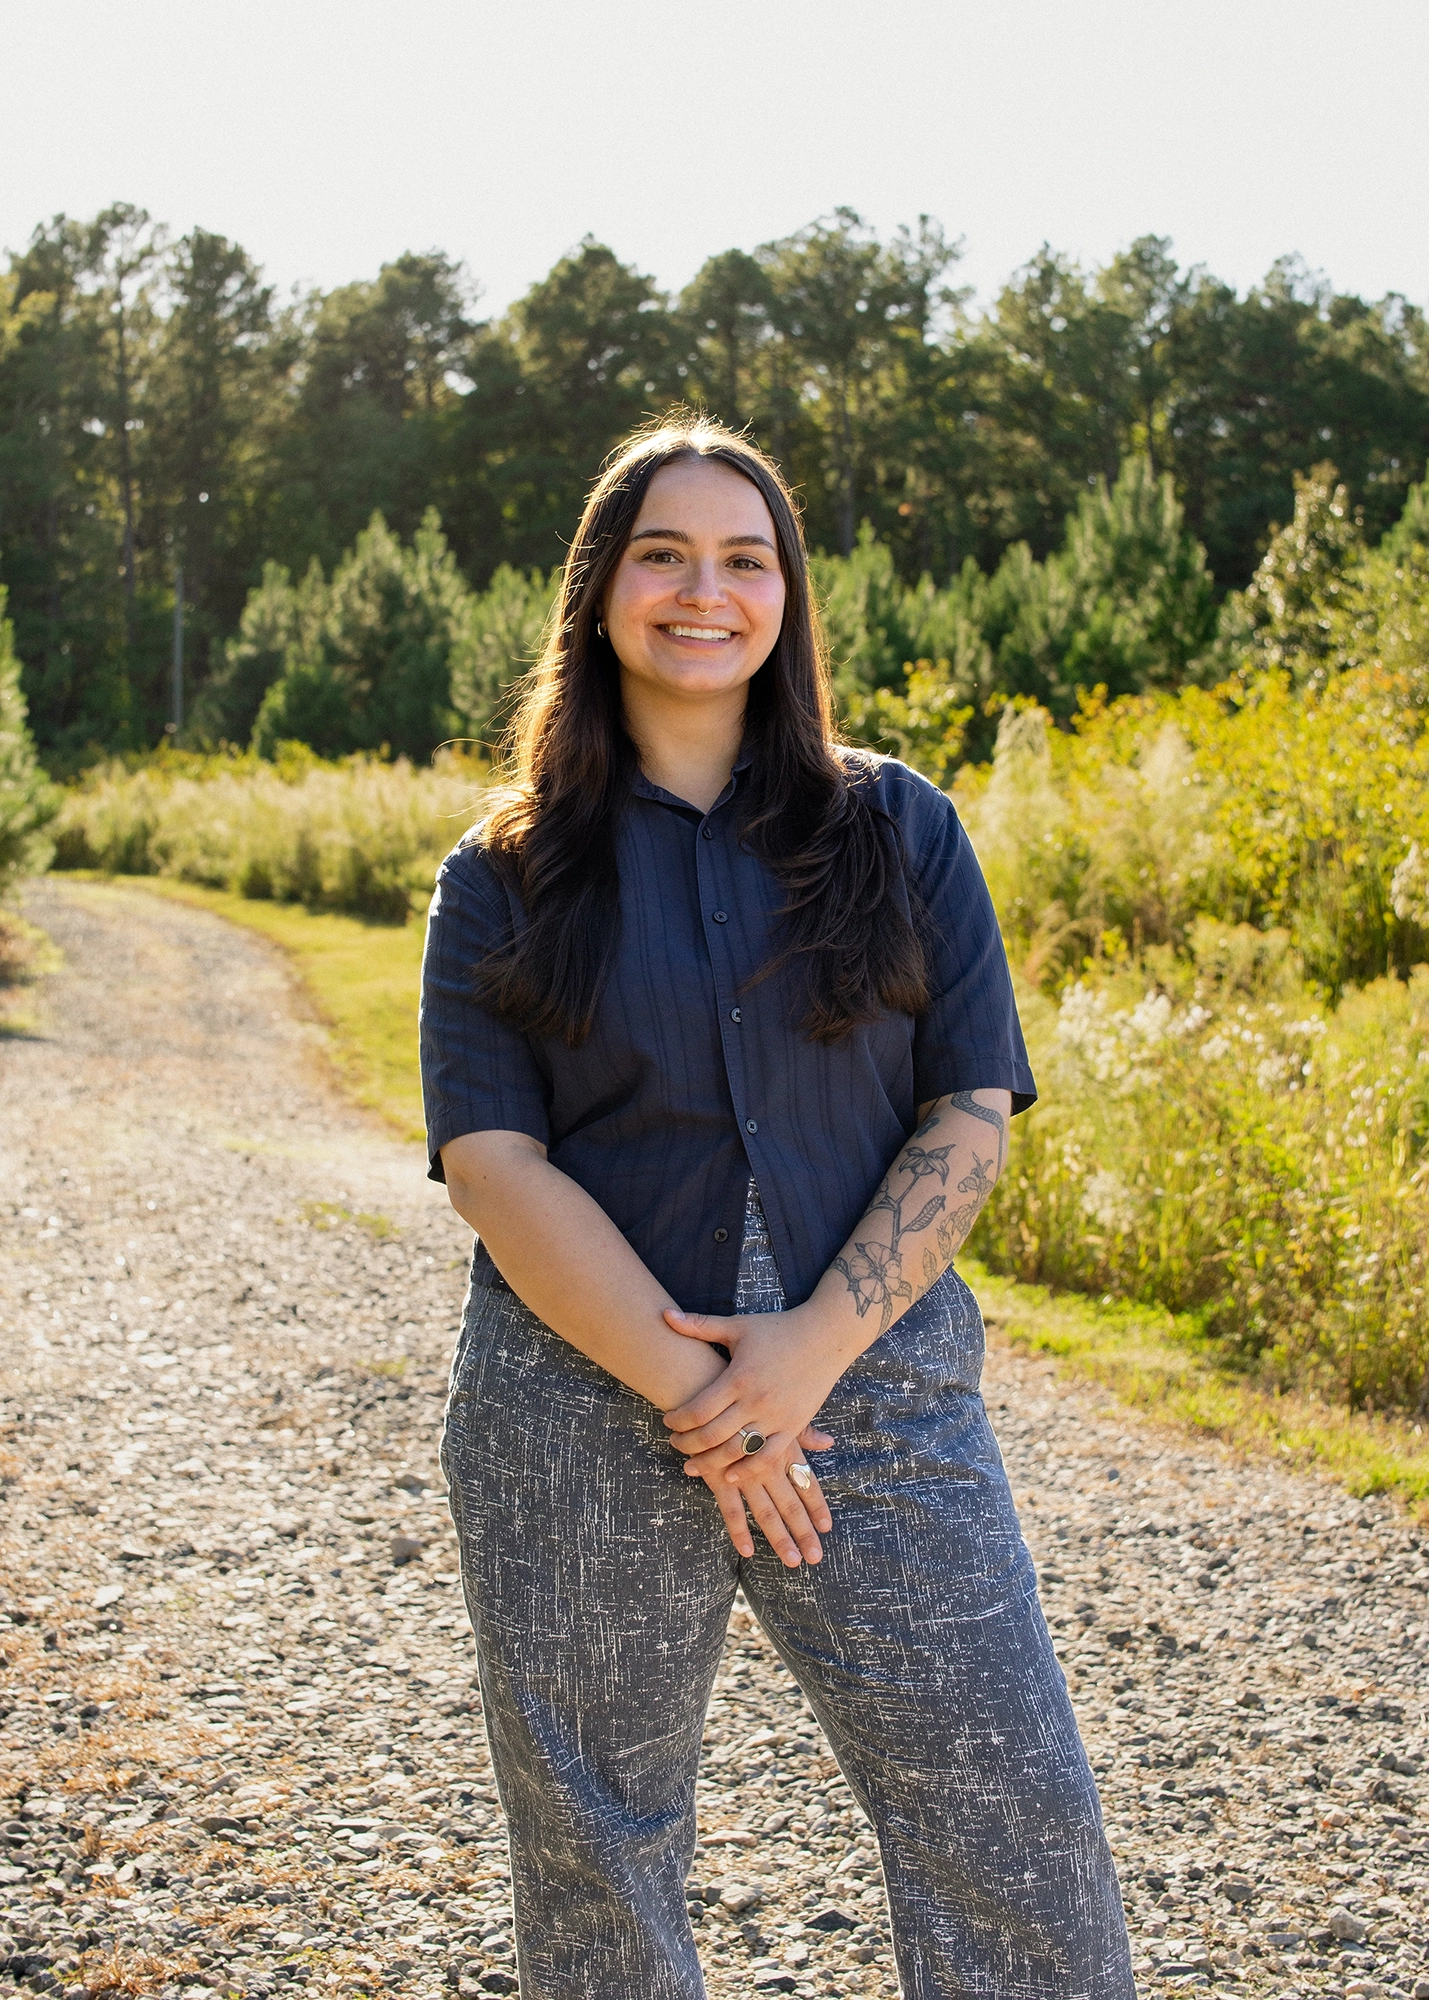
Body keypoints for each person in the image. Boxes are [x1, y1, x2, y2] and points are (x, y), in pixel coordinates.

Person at [419, 415, 1133, 2000]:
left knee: (1010, 1820)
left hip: (875, 1390)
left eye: (746, 558)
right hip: (579, 1412)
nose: (704, 589)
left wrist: (805, 1355)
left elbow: (966, 1107)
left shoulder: (901, 826)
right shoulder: (506, 869)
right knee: (599, 1858)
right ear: (600, 585)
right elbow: (492, 1162)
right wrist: (704, 1397)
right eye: (662, 553)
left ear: (789, 597)